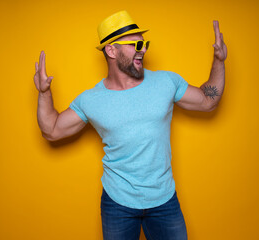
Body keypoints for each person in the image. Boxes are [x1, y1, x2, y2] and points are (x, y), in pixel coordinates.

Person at [34, 10, 227, 240]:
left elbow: (208, 101)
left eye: (143, 43)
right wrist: (44, 93)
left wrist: (219, 61)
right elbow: (52, 130)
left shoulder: (166, 82)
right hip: (118, 204)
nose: (143, 49)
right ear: (111, 50)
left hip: (164, 200)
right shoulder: (91, 99)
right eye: (135, 44)